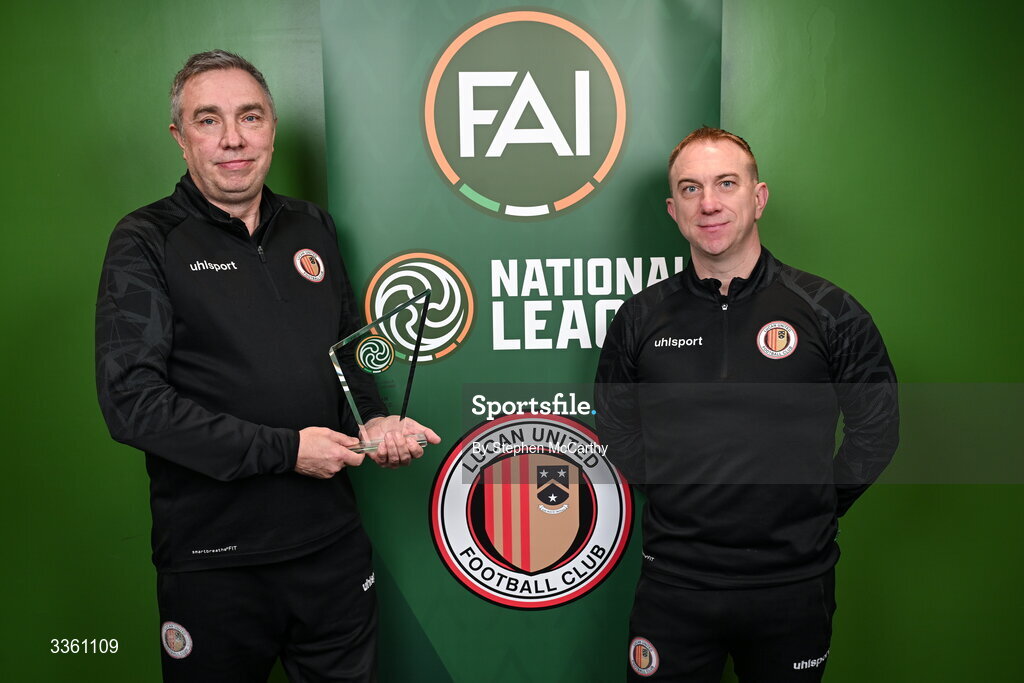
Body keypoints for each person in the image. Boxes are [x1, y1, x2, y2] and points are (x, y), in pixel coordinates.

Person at [95, 50, 440, 682]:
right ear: (180, 138)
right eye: (208, 120)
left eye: (249, 116)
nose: (232, 138)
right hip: (215, 564)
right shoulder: (145, 240)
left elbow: (349, 356)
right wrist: (287, 451)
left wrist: (375, 420)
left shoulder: (312, 226)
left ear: (272, 127)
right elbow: (132, 405)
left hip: (332, 553)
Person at [595, 127, 898, 681]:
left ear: (757, 198)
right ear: (672, 209)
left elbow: (876, 429)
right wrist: (671, 492)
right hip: (674, 586)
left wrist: (816, 504)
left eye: (725, 184)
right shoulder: (640, 318)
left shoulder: (829, 310)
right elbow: (615, 424)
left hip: (793, 586)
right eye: (690, 189)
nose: (708, 203)